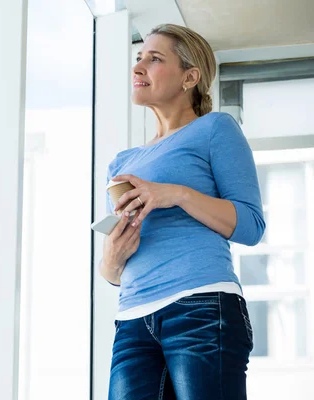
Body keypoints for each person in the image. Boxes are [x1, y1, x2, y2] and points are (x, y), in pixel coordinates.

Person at [100, 24, 266, 400]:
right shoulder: (122, 163)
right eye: (138, 58)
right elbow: (112, 272)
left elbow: (251, 226)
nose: (138, 67)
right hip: (132, 319)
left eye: (154, 59)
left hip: (202, 307)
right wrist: (111, 259)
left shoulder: (215, 129)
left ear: (190, 77)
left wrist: (175, 194)